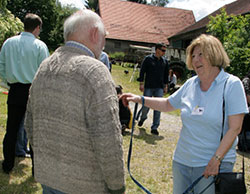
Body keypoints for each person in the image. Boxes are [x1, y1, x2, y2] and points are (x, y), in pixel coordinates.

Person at [121, 34, 248, 194]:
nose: (196, 60)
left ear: (214, 54)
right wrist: (140, 99)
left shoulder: (231, 85)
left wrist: (216, 160)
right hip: (182, 161)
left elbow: (235, 128)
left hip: (212, 165)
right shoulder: (190, 84)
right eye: (193, 56)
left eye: (201, 55)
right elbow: (168, 104)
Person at [24, 9, 125, 194]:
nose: (104, 43)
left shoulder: (44, 67)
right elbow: (108, 139)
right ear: (95, 33)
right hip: (84, 185)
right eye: (104, 37)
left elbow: (30, 123)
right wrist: (117, 186)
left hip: (48, 178)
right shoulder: (96, 71)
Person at [0, 13, 49, 174]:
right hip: (32, 91)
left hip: (14, 90)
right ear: (37, 27)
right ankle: (37, 170)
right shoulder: (40, 46)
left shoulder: (8, 43)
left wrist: (8, 84)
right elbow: (45, 72)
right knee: (35, 132)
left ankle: (7, 165)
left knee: (11, 129)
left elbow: (1, 67)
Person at [137, 42, 169, 135]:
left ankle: (155, 127)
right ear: (157, 50)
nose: (164, 52)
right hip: (149, 86)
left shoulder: (165, 61)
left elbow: (166, 75)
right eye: (162, 50)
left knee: (158, 107)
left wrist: (165, 86)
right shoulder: (148, 59)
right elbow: (142, 71)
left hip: (159, 87)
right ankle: (143, 118)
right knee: (145, 105)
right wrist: (141, 83)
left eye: (165, 51)